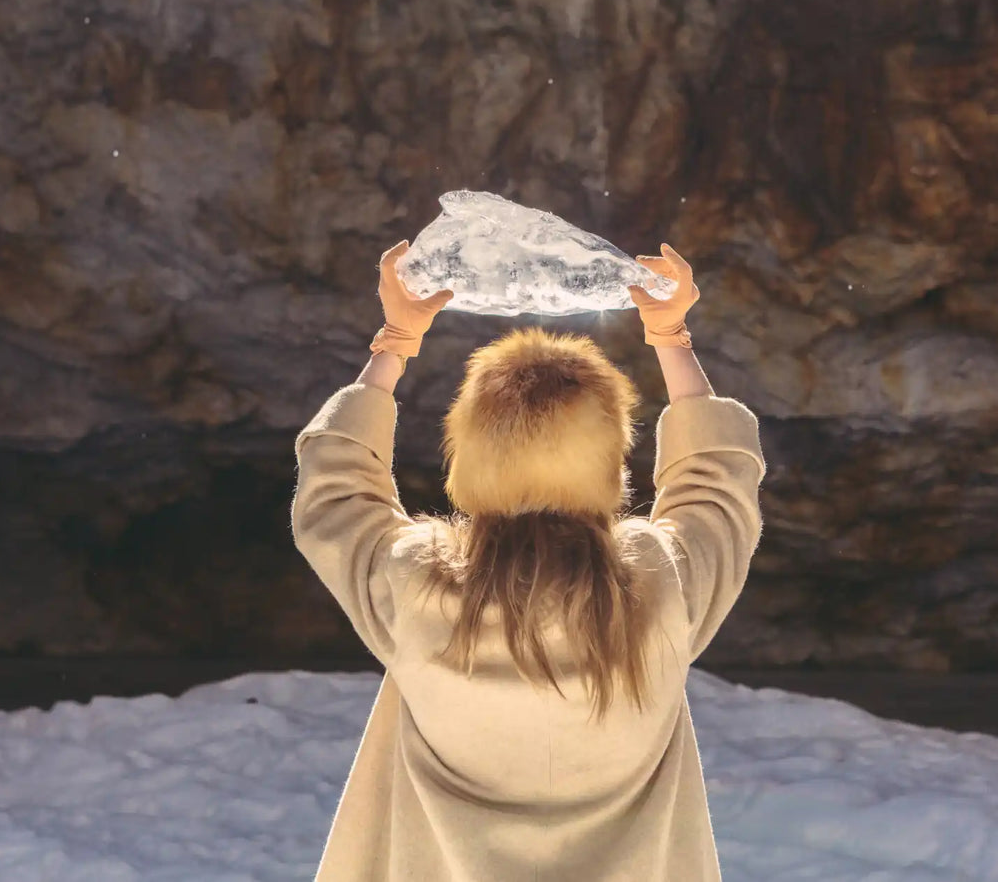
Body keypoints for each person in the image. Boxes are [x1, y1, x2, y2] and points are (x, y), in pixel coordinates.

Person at [291, 239, 766, 882]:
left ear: (469, 456)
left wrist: (394, 341)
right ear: (609, 462)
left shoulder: (416, 583)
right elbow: (716, 481)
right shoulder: (662, 584)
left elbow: (336, 485)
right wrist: (672, 335)